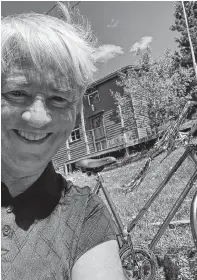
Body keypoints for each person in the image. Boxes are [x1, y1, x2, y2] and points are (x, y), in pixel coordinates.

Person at [1, 3, 125, 280]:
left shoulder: (83, 217)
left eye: (58, 98)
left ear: (75, 111)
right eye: (17, 92)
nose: (37, 118)